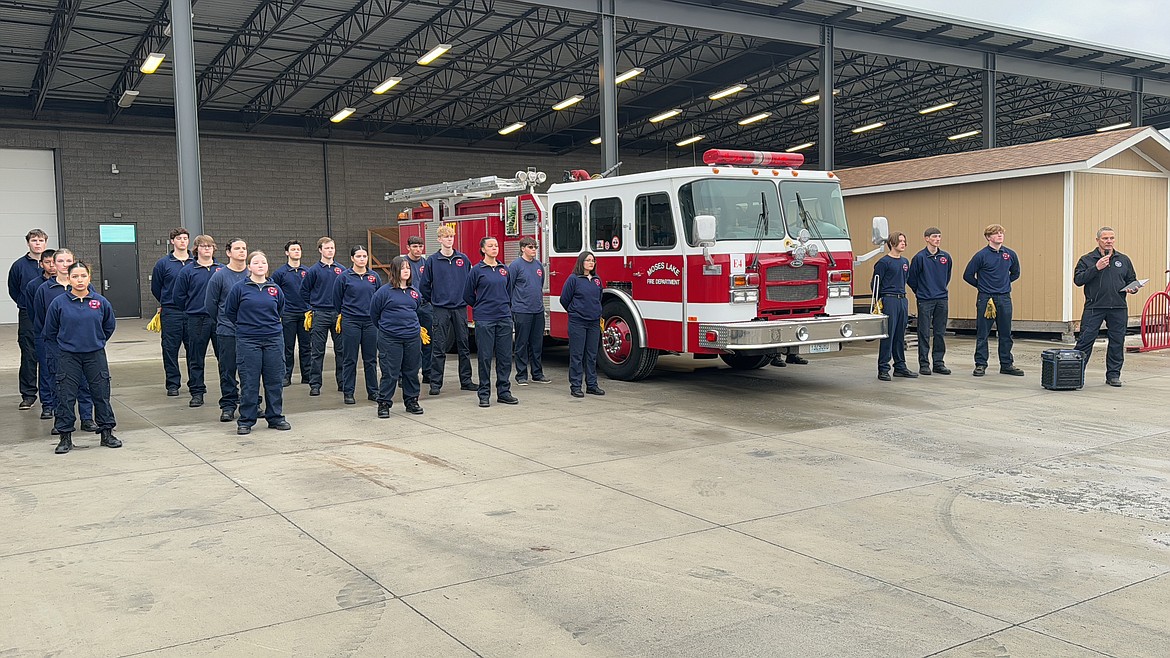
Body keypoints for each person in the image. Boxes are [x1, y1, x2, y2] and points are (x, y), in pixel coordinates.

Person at [42, 261, 120, 454]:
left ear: (89, 278)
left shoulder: (100, 302)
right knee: (65, 396)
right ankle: (65, 437)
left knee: (101, 394)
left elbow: (108, 326)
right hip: (68, 356)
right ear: (68, 278)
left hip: (95, 354)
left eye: (83, 276)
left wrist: (96, 340)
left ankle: (107, 433)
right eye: (75, 276)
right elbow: (50, 331)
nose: (79, 280)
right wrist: (66, 345)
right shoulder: (58, 303)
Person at [223, 251, 291, 435]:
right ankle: (246, 420)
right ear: (249, 266)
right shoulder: (240, 288)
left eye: (264, 262)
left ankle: (275, 417)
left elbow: (280, 310)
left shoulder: (275, 289)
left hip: (273, 339)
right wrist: (247, 326)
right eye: (256, 262)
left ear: (267, 266)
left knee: (274, 380)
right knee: (250, 381)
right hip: (248, 341)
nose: (260, 265)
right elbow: (230, 311)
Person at [33, 249, 97, 434]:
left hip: (83, 346)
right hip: (57, 346)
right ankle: (62, 421)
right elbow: (39, 318)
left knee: (84, 383)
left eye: (69, 260)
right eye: (60, 260)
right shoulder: (44, 290)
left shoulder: (86, 288)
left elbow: (101, 318)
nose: (65, 264)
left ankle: (87, 418)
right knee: (59, 385)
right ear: (54, 263)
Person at [1073, 226, 1137, 387]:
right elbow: (1078, 280)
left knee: (1117, 341)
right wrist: (1096, 268)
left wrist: (1133, 288)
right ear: (1098, 240)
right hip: (1095, 307)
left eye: (1111, 238)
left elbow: (1131, 280)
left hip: (1118, 307)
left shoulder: (1123, 259)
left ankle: (1113, 375)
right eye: (1105, 238)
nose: (1109, 241)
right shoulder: (1087, 259)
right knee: (1085, 341)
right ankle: (1074, 374)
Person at [419, 225, 476, 396]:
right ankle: (436, 383)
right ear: (439, 240)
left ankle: (466, 381)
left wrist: (466, 299)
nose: (449, 240)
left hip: (459, 308)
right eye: (446, 237)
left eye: (451, 237)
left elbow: (470, 282)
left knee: (464, 346)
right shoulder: (432, 261)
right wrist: (435, 300)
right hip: (440, 309)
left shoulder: (463, 259)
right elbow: (424, 285)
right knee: (439, 346)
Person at [464, 236, 518, 408]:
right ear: (483, 249)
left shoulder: (504, 269)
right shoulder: (477, 270)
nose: (494, 248)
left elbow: (509, 292)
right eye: (490, 246)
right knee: (485, 357)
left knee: (504, 357)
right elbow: (467, 295)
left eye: (496, 245)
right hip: (485, 319)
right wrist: (480, 307)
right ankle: (484, 394)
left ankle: (504, 392)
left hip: (503, 318)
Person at [963, 224, 1023, 377]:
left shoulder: (1009, 254)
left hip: (1004, 297)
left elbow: (1016, 273)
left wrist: (1004, 283)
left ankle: (1006, 364)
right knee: (983, 332)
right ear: (988, 237)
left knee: (1006, 332)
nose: (999, 235)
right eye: (995, 233)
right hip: (986, 299)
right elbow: (968, 275)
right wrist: (982, 286)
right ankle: (981, 364)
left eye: (1001, 233)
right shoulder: (981, 255)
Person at [371, 255, 426, 418]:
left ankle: (411, 401)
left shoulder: (414, 292)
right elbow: (374, 314)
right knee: (390, 372)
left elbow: (417, 310)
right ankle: (384, 404)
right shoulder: (383, 292)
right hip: (390, 339)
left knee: (412, 371)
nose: (406, 271)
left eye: (408, 268)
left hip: (412, 338)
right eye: (403, 268)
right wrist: (387, 329)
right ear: (395, 270)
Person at [172, 235, 222, 408]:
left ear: (214, 248)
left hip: (218, 320)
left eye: (210, 246)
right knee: (195, 358)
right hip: (196, 319)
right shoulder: (187, 271)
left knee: (225, 358)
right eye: (203, 246)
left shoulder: (221, 270)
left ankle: (229, 392)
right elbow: (178, 296)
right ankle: (197, 392)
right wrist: (191, 309)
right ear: (196, 249)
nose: (207, 249)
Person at [205, 238, 250, 422]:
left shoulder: (252, 273)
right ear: (228, 253)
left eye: (244, 248)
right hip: (227, 331)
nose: (242, 251)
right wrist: (224, 321)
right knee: (228, 370)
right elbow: (210, 305)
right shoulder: (220, 276)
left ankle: (251, 403)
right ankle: (229, 405)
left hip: (250, 333)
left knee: (250, 371)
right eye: (237, 248)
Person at [333, 245, 381, 404]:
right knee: (350, 358)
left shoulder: (374, 277)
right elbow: (337, 300)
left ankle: (373, 391)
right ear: (352, 258)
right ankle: (348, 392)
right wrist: (347, 314)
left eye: (364, 256)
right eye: (358, 256)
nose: (362, 259)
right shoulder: (344, 277)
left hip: (370, 323)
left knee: (371, 359)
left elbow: (379, 298)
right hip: (351, 321)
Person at [8, 228, 49, 410]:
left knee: (53, 353)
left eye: (41, 240)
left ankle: (54, 393)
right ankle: (29, 395)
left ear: (45, 243)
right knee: (29, 353)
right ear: (28, 243)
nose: (37, 243)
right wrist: (25, 304)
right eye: (34, 241)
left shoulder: (52, 262)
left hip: (51, 313)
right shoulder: (19, 266)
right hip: (28, 314)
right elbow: (14, 289)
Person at [301, 237, 344, 397]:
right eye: (327, 248)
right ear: (320, 250)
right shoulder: (313, 270)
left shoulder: (341, 270)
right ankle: (315, 384)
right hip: (319, 313)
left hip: (337, 314)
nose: (330, 251)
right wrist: (313, 305)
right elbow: (304, 291)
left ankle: (342, 382)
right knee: (317, 352)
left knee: (341, 351)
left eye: (332, 248)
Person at [150, 227, 192, 396]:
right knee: (170, 349)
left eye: (185, 238)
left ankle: (195, 383)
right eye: (179, 238)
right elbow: (156, 288)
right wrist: (168, 300)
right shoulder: (163, 263)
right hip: (171, 312)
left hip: (192, 312)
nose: (182, 241)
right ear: (172, 241)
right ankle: (173, 384)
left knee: (194, 349)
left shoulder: (195, 262)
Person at [559, 251, 605, 398]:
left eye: (593, 260)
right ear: (581, 262)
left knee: (591, 355)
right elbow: (564, 299)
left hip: (593, 322)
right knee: (577, 355)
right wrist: (574, 311)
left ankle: (592, 385)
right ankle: (576, 386)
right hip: (577, 322)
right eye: (588, 260)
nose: (591, 263)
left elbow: (599, 297)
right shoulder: (574, 279)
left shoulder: (597, 280)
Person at [908, 227, 952, 375]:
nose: (937, 239)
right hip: (925, 300)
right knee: (924, 332)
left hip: (941, 299)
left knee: (940, 332)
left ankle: (939, 363)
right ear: (927, 238)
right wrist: (921, 292)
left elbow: (947, 276)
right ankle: (924, 363)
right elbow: (912, 279)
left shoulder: (945, 257)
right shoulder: (920, 258)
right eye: (934, 236)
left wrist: (940, 288)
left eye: (939, 236)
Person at [873, 232, 917, 381]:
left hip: (902, 300)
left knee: (899, 334)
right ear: (892, 243)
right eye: (900, 241)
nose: (903, 243)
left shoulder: (905, 261)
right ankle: (883, 368)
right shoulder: (884, 262)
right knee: (888, 335)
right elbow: (875, 284)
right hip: (889, 300)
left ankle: (900, 366)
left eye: (904, 241)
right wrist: (880, 302)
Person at [509, 236, 551, 386]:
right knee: (521, 343)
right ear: (522, 248)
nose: (534, 250)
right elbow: (509, 286)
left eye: (535, 247)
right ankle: (521, 375)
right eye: (530, 247)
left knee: (537, 343)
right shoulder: (515, 266)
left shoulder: (539, 266)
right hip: (521, 310)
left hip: (537, 310)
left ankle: (537, 373)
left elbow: (540, 284)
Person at [272, 240, 310, 387]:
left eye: (298, 249)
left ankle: (306, 375)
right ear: (287, 253)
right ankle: (286, 375)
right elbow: (274, 292)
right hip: (288, 314)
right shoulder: (280, 273)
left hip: (305, 314)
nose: (296, 252)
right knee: (288, 347)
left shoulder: (307, 272)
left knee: (306, 346)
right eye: (293, 249)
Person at [22, 249, 56, 419]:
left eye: (54, 261)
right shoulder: (34, 286)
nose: (52, 265)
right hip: (42, 333)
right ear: (41, 264)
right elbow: (32, 311)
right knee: (46, 369)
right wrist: (43, 330)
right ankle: (48, 405)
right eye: (47, 262)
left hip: (63, 335)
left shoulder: (68, 284)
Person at [404, 235, 433, 385]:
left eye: (420, 246)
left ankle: (427, 372)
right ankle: (406, 375)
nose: (418, 249)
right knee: (409, 341)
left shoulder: (426, 263)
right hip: (408, 308)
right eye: (415, 246)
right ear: (408, 247)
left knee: (427, 340)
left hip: (425, 306)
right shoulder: (403, 263)